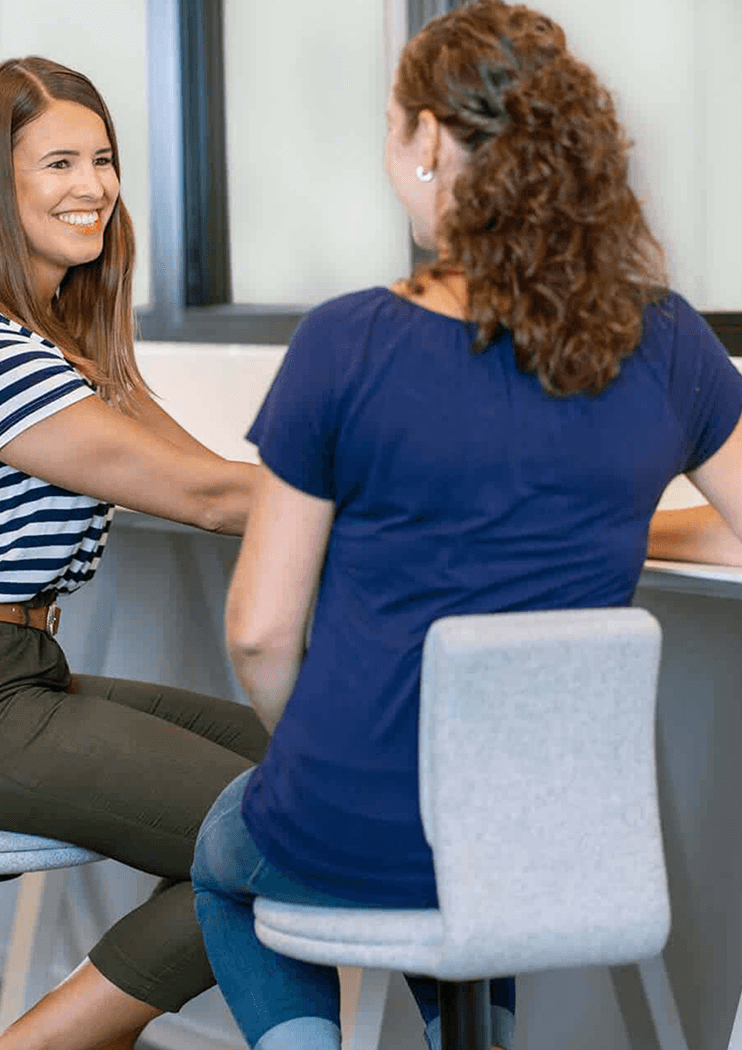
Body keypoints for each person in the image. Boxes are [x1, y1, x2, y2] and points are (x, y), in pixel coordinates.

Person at [188, 3, 742, 1050]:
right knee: (472, 874)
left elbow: (259, 631)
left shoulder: (346, 343)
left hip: (355, 816)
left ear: (432, 141)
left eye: (392, 125)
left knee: (227, 854)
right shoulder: (665, 339)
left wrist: (316, 759)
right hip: (549, 840)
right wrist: (620, 524)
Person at [0, 57, 264, 1049]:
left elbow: (203, 473)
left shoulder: (67, 343)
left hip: (13, 675)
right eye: (58, 162)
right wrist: (414, 497)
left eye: (104, 159)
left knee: (289, 772)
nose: (93, 186)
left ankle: (82, 1029)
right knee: (287, 833)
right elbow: (207, 499)